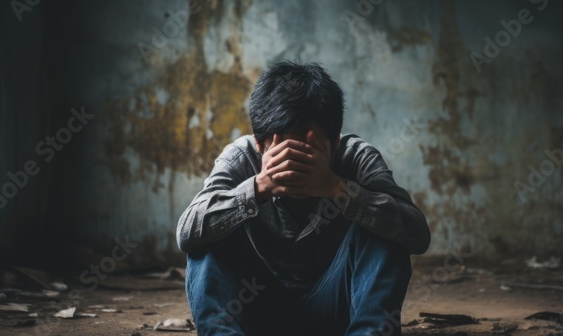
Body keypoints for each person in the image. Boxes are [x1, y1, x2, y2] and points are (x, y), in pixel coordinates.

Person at [177, 61, 430, 335]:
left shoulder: (356, 157)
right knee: (207, 233)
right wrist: (260, 186)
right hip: (255, 311)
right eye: (286, 153)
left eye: (308, 153)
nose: (296, 165)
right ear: (260, 144)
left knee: (383, 222)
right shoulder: (241, 158)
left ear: (335, 143)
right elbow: (187, 232)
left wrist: (337, 187)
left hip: (335, 308)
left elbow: (416, 234)